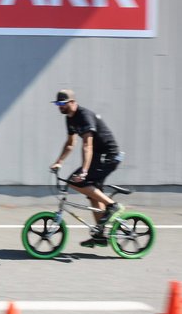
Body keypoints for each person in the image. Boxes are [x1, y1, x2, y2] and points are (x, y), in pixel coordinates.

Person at [49, 89, 125, 248]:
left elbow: (87, 145)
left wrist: (84, 171)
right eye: (57, 104)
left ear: (72, 102)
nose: (59, 107)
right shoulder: (69, 119)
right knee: (93, 196)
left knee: (76, 181)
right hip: (99, 156)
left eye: (62, 104)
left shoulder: (84, 116)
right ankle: (100, 236)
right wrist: (59, 162)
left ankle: (113, 206)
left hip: (109, 155)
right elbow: (70, 143)